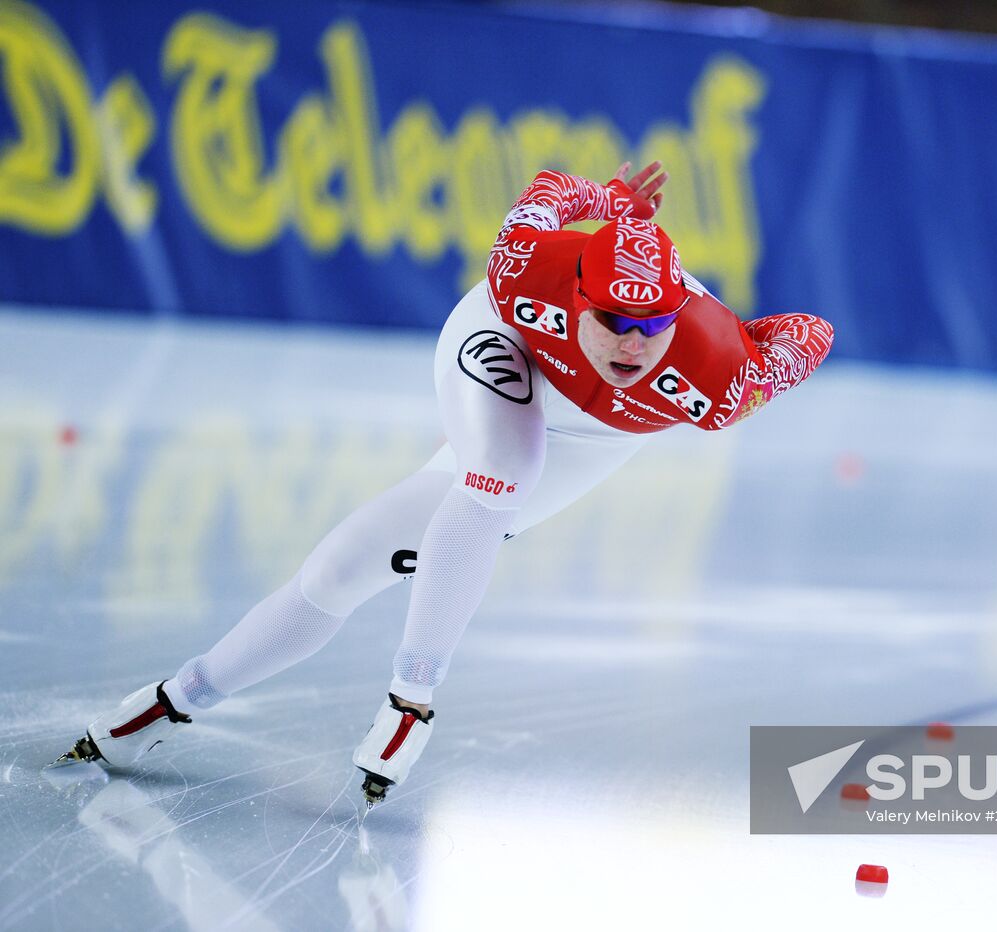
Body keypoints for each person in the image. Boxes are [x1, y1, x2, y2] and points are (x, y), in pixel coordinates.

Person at [55, 161, 835, 809]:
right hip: (503, 345)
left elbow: (814, 331)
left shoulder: (717, 378)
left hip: (594, 437)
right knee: (499, 473)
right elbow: (554, 183)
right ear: (576, 298)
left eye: (651, 325)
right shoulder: (528, 264)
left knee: (340, 570)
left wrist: (765, 348)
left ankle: (172, 698)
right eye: (612, 320)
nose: (632, 344)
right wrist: (607, 201)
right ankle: (411, 703)